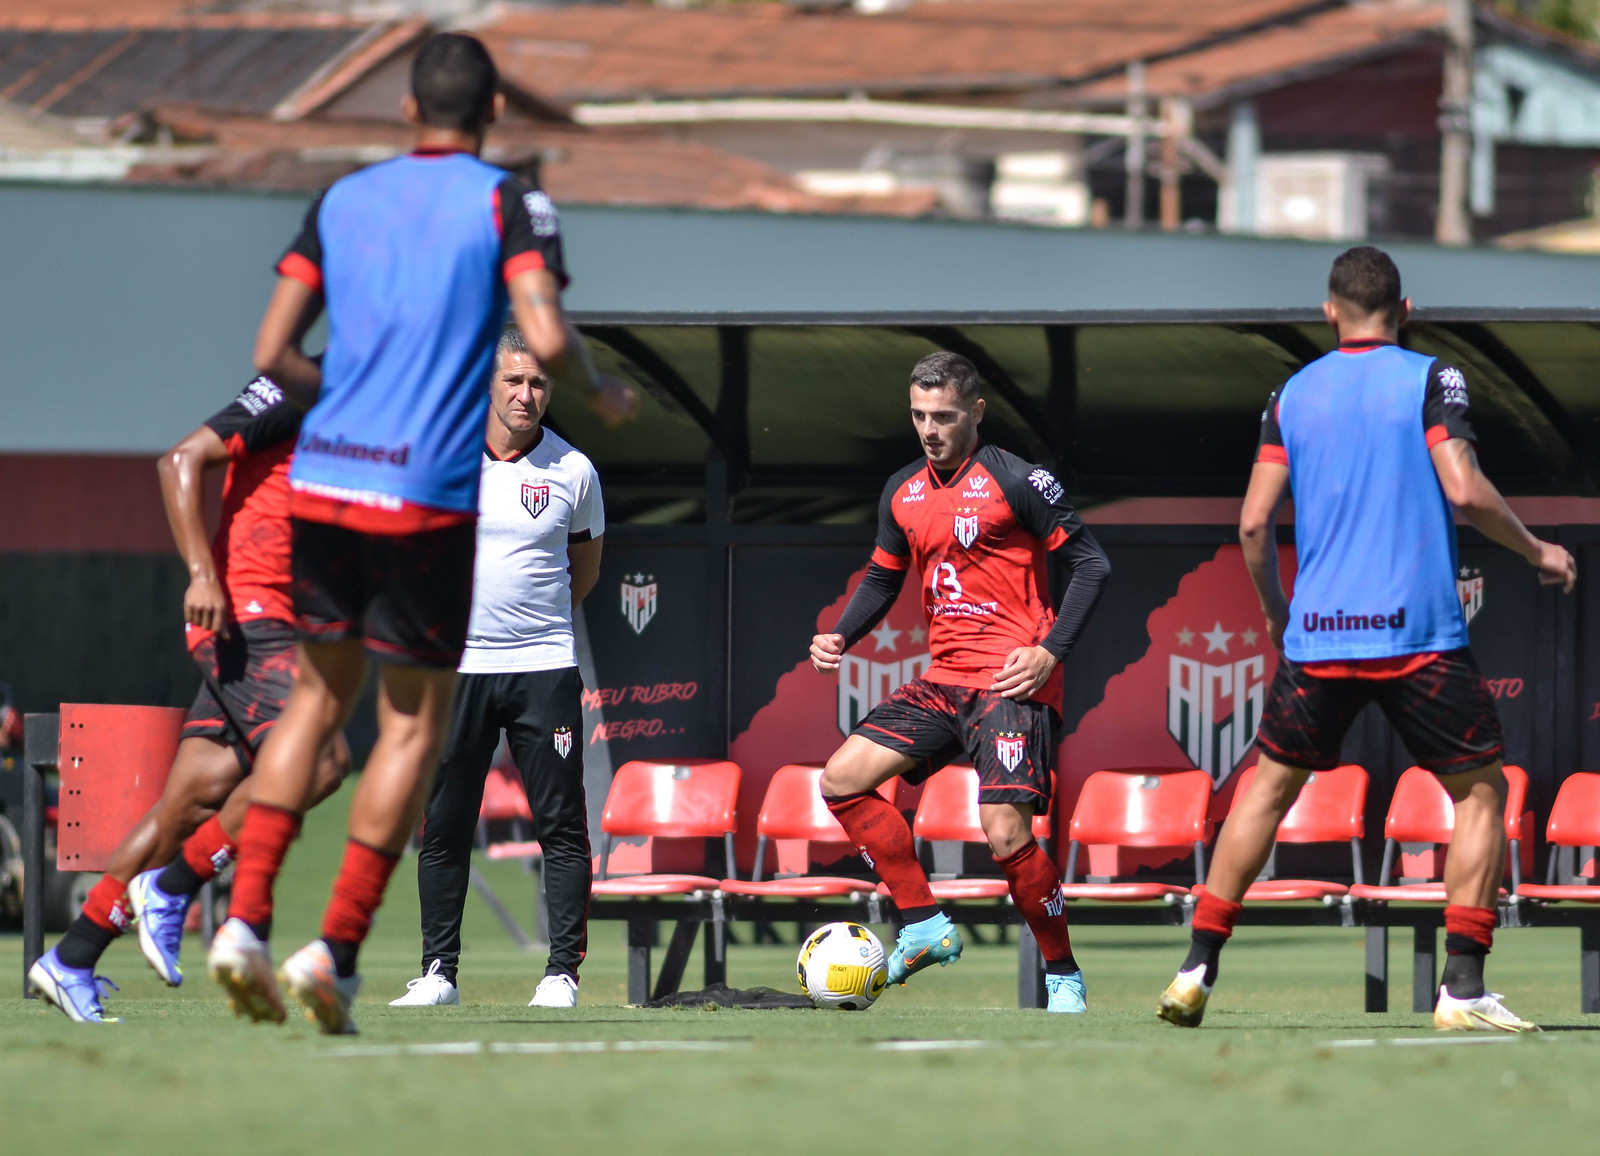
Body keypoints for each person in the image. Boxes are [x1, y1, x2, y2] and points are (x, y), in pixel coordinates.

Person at [206, 32, 635, 1035]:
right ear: (492, 115)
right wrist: (596, 385)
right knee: (409, 726)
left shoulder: (341, 198)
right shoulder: (510, 200)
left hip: (323, 480)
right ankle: (337, 948)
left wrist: (350, 390)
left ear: (405, 111)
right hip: (424, 494)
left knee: (316, 703)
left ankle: (247, 918)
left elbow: (272, 348)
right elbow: (546, 321)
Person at [1156, 246, 1577, 1033]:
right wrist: (1537, 549)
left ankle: (1196, 967)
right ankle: (1461, 989)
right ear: (1406, 310)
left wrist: (1280, 615)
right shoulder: (1430, 378)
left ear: (1329, 311)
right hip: (1417, 636)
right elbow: (1463, 486)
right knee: (1482, 792)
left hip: (1318, 638)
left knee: (1266, 790)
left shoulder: (1293, 391)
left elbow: (1252, 524)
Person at [27, 375, 347, 1023]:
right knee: (323, 760)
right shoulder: (296, 388)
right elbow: (179, 458)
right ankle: (172, 889)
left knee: (189, 801)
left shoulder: (372, 411)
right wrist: (202, 573)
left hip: (279, 622)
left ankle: (72, 958)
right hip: (247, 615)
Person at [809, 351, 1111, 1014]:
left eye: (942, 416)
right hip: (944, 680)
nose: (929, 429)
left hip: (1010, 680)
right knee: (841, 779)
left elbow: (1092, 566)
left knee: (1004, 832)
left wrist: (1050, 653)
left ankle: (1062, 976)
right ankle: (922, 926)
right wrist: (842, 633)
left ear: (975, 412)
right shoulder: (902, 490)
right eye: (918, 415)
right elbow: (885, 576)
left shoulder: (1019, 480)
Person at [389, 331, 602, 1011]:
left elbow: (584, 570)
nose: (526, 395)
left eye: (538, 384)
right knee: (444, 824)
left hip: (544, 668)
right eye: (514, 382)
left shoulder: (574, 471)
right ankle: (437, 973)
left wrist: (535, 625)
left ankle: (561, 975)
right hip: (458, 673)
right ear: (489, 384)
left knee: (561, 826)